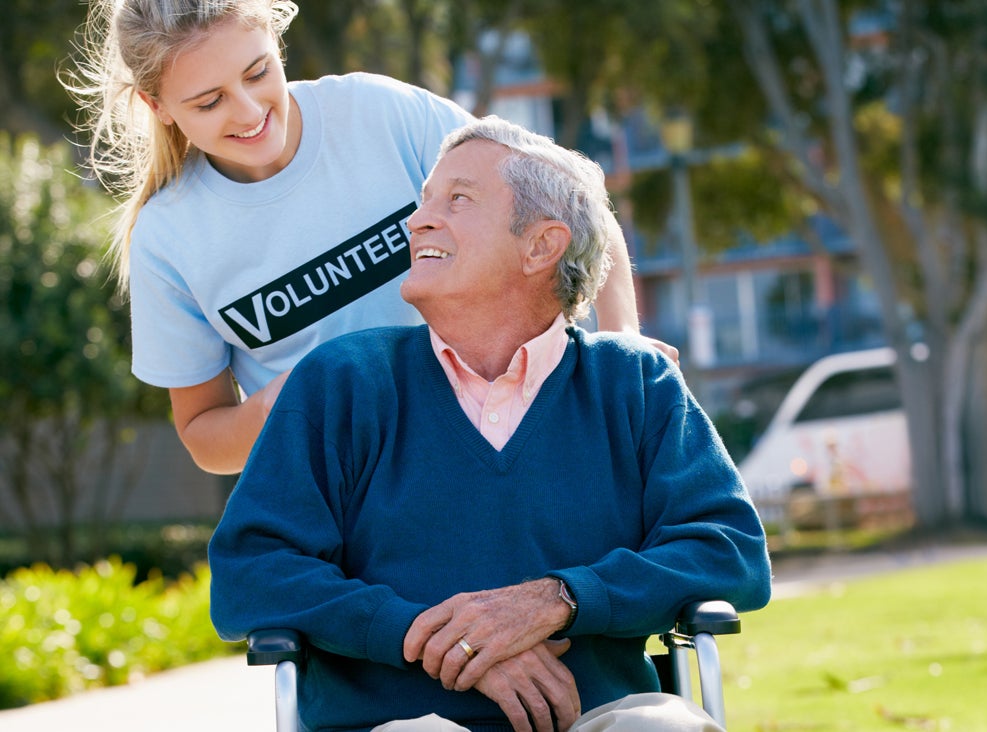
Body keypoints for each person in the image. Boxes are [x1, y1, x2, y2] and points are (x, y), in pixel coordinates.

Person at [208, 116, 771, 732]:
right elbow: (251, 570)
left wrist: (556, 599)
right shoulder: (343, 380)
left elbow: (728, 549)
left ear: (541, 246)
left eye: (458, 199)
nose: (417, 221)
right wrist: (440, 639)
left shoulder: (634, 382)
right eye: (425, 201)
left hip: (595, 718)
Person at [62, 0, 675, 476]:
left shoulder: (380, 113)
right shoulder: (167, 239)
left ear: (275, 41)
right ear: (158, 105)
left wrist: (623, 340)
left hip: (524, 445)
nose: (248, 111)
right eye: (209, 101)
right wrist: (286, 406)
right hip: (360, 508)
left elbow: (571, 204)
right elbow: (205, 437)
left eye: (257, 72)